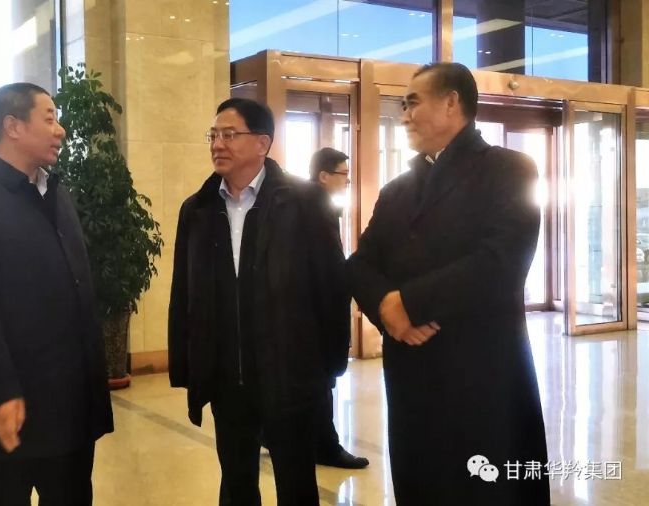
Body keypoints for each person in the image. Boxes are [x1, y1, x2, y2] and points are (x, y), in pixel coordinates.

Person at [347, 63, 550, 505]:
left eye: (412, 103)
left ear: (452, 103)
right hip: (411, 372)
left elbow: (503, 262)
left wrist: (410, 304)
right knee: (421, 482)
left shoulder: (509, 169)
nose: (404, 116)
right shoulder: (397, 190)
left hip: (482, 371)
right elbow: (360, 263)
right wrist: (387, 309)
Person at [0, 82, 114, 506]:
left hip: (71, 406)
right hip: (12, 408)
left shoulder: (58, 193)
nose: (61, 130)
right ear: (13, 127)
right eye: (50, 119)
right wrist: (2, 391)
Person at [168, 98, 350, 505]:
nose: (218, 144)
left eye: (229, 135)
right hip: (227, 379)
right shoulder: (198, 210)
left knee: (296, 484)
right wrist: (188, 366)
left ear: (262, 143)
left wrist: (330, 364)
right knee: (236, 483)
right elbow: (185, 293)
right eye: (213, 135)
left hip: (289, 376)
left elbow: (332, 287)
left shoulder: (304, 203)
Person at [307, 147, 369, 470]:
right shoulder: (314, 209)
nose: (347, 181)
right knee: (321, 380)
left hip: (316, 310)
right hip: (316, 313)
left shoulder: (320, 207)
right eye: (344, 175)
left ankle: (273, 434)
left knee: (318, 380)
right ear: (323, 176)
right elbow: (324, 266)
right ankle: (326, 447)